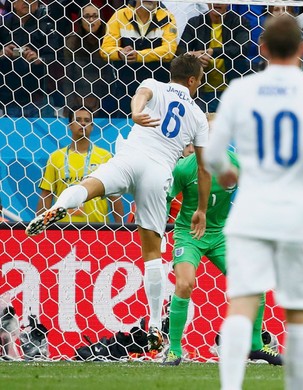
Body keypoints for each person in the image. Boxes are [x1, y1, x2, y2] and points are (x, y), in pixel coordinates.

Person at [207, 15, 303, 390]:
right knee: (299, 313)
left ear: (261, 49)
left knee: (241, 303)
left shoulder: (240, 90)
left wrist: (226, 171)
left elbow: (211, 154)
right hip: (299, 215)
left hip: (251, 212)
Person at [25, 54, 211, 354]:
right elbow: (203, 168)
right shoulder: (198, 116)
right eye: (199, 80)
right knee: (151, 252)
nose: (199, 85)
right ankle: (152, 322)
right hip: (158, 170)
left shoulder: (153, 84)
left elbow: (141, 96)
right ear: (191, 80)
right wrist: (201, 209)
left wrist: (136, 113)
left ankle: (60, 206)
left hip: (130, 156)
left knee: (88, 186)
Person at [163, 139, 281, 366]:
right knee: (185, 283)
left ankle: (255, 346)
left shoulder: (235, 164)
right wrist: (157, 229)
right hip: (189, 235)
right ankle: (174, 350)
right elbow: (165, 199)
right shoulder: (185, 168)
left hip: (220, 235)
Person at [36, 106, 123, 223]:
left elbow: (114, 197)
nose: (82, 123)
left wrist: (122, 228)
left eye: (87, 121)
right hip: (63, 229)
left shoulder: (104, 157)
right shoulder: (56, 157)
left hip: (98, 229)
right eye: (78, 120)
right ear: (70, 125)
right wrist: (41, 226)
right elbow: (47, 195)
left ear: (92, 126)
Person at [100, 0, 177, 116]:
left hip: (157, 89)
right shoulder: (120, 15)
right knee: (126, 128)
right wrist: (120, 53)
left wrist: (139, 56)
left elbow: (169, 51)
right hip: (125, 88)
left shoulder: (168, 18)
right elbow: (105, 49)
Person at [177, 3, 250, 113]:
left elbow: (241, 49)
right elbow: (181, 51)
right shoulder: (195, 22)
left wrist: (212, 52)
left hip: (231, 91)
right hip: (201, 92)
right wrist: (194, 56)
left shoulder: (239, 22)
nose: (217, 2)